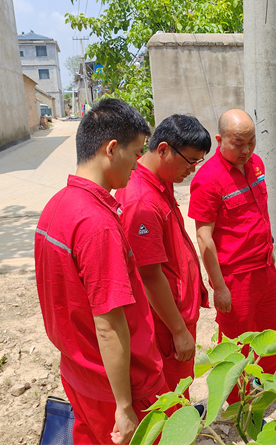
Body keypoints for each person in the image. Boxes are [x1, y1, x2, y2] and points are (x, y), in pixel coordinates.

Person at [35, 98, 167, 445]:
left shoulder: (56, 206)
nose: (139, 165)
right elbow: (108, 325)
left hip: (79, 371)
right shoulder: (96, 223)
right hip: (117, 384)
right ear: (112, 149)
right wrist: (124, 406)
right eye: (137, 152)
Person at [188, 109, 276, 400]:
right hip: (236, 279)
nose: (246, 150)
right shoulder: (208, 180)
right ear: (220, 140)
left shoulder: (256, 164)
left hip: (264, 269)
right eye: (238, 143)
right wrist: (219, 287)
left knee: (272, 334)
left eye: (251, 142)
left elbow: (260, 214)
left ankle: (273, 387)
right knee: (235, 345)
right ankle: (234, 403)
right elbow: (204, 237)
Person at [115, 114, 211, 404]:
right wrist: (179, 331)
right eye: (191, 161)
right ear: (164, 149)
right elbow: (149, 275)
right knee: (167, 392)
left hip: (175, 311)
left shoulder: (160, 180)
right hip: (165, 323)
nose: (193, 170)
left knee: (180, 383)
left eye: (198, 162)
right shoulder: (141, 200)